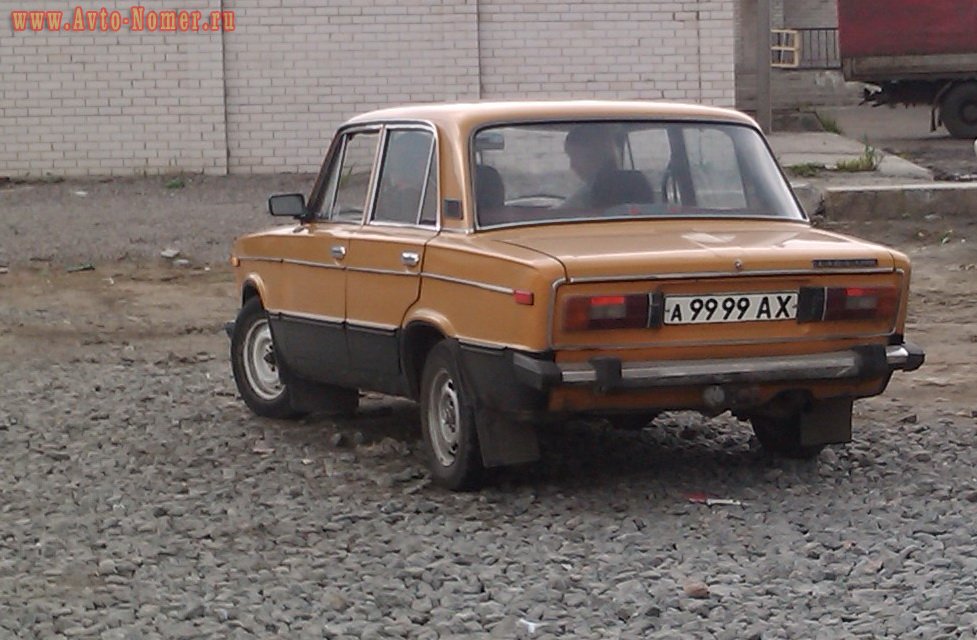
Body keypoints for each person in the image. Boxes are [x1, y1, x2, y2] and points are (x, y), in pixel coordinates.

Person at [561, 124, 621, 208]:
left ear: (594, 155)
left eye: (575, 156)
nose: (572, 165)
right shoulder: (639, 185)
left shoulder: (587, 197)